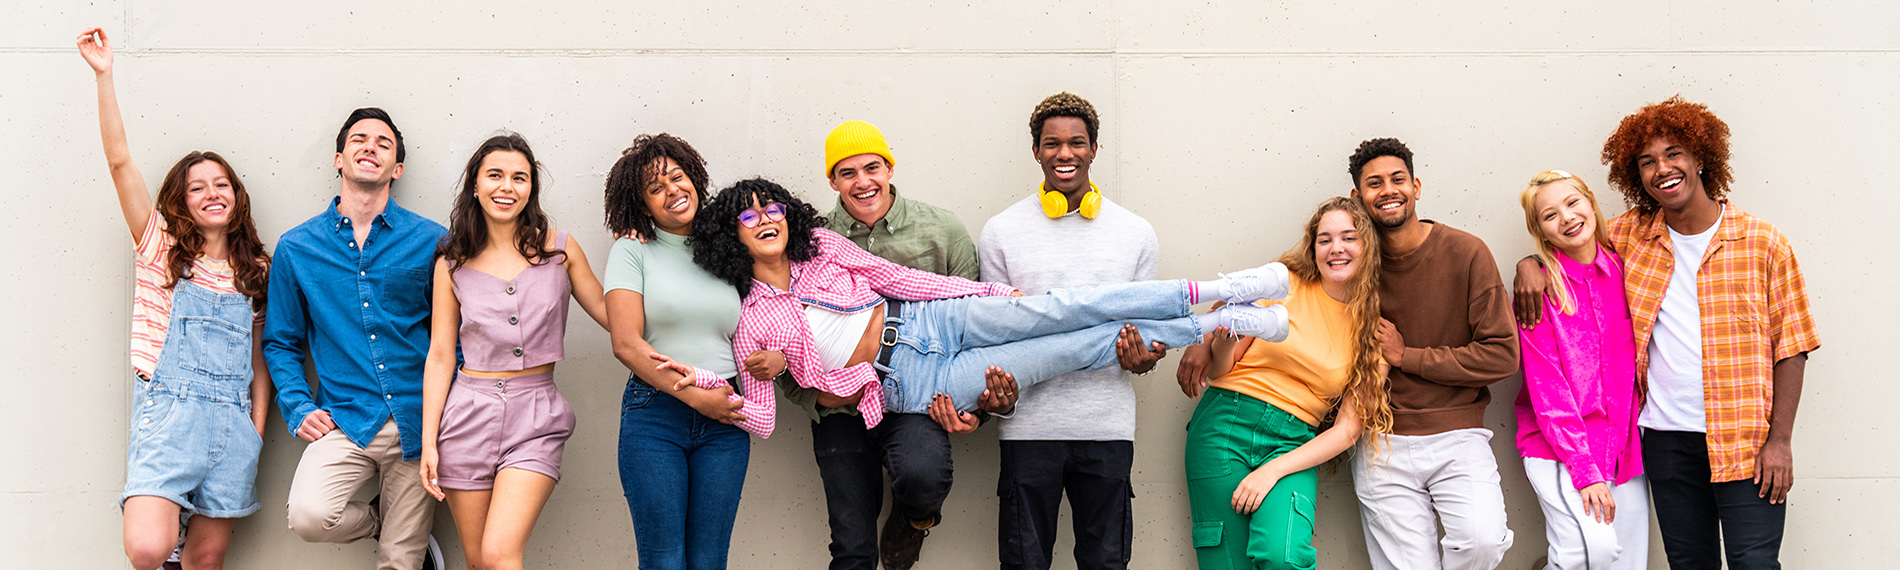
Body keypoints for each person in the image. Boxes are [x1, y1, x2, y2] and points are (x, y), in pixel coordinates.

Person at [665, 178, 1293, 443]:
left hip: (929, 322)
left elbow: (898, 277)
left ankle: (1222, 289)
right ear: (732, 236)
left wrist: (988, 294)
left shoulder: (821, 246)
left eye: (770, 207)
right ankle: (1223, 324)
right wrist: (729, 382)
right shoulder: (751, 324)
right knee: (1073, 348)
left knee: (1071, 307)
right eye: (747, 215)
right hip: (914, 382)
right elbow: (764, 422)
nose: (765, 219)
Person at [1514, 97, 1820, 570]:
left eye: (1674, 153)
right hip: (1665, 439)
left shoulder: (1764, 243)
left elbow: (1793, 348)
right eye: (1647, 162)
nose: (1663, 169)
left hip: (1745, 441)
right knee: (1688, 562)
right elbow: (1571, 240)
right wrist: (1531, 264)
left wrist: (1780, 441)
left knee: (1754, 563)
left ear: (1701, 158)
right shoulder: (1630, 236)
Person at [782, 119, 1016, 570]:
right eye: (847, 173)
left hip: (918, 396)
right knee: (851, 543)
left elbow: (976, 325)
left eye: (872, 168)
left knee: (924, 477)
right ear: (831, 180)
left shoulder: (942, 229)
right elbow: (776, 326)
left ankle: (915, 521)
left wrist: (976, 406)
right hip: (842, 404)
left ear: (890, 167)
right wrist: (814, 396)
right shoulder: (808, 242)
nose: (862, 182)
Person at [80, 27, 273, 570]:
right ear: (180, 201)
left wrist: (256, 428)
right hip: (169, 415)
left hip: (234, 422)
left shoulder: (256, 268)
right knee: (148, 547)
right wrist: (104, 76)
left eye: (222, 184)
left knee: (206, 559)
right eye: (198, 187)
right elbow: (121, 164)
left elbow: (258, 356)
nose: (213, 193)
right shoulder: (160, 248)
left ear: (236, 197)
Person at [976, 91, 1166, 570]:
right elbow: (993, 335)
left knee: (1106, 563)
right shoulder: (1000, 232)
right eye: (1052, 143)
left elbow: (1144, 335)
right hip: (1026, 430)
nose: (1065, 154)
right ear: (1036, 151)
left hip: (1107, 426)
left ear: (1094, 149)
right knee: (1024, 563)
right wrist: (996, 394)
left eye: (1077, 143)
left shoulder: (1136, 233)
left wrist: (1145, 358)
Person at [416, 134, 610, 570]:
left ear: (531, 189)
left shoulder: (559, 249)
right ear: (475, 186)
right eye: (495, 176)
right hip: (466, 416)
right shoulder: (451, 263)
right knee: (478, 562)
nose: (507, 187)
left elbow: (614, 316)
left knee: (501, 554)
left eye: (519, 178)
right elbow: (441, 355)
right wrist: (429, 443)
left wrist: (638, 247)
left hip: (536, 415)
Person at [266, 107, 447, 570]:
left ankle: (403, 537)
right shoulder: (297, 247)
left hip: (418, 421)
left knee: (400, 564)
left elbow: (455, 336)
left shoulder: (433, 241)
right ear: (339, 159)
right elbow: (281, 341)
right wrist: (298, 406)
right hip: (347, 420)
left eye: (384, 143)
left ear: (397, 169)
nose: (371, 147)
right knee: (309, 515)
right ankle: (382, 520)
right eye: (360, 140)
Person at [1177, 197, 1396, 570]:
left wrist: (1274, 470)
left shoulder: (1373, 330)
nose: (1336, 248)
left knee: (1284, 558)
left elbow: (1346, 431)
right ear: (1313, 247)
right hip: (1224, 426)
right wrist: (1223, 339)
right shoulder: (1281, 285)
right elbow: (1221, 371)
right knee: (1225, 563)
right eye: (1325, 239)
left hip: (1291, 445)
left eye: (1348, 237)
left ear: (1367, 247)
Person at [1346, 138, 1518, 570]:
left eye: (1397, 179)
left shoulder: (1466, 252)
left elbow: (1501, 355)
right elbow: (1292, 283)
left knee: (1483, 542)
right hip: (1379, 440)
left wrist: (1408, 356)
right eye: (1374, 183)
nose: (1388, 190)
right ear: (1357, 197)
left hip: (1458, 435)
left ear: (1416, 186)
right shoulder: (1349, 261)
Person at [601, 133, 752, 570]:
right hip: (656, 414)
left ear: (695, 178)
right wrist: (694, 396)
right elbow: (626, 343)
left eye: (677, 177)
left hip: (726, 414)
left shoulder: (731, 244)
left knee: (709, 561)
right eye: (655, 188)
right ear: (642, 205)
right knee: (664, 561)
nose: (672, 192)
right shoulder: (632, 250)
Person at [1512, 170, 1648, 569]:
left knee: (1628, 561)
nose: (1567, 217)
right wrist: (1585, 473)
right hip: (1559, 448)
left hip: (1623, 449)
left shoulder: (1627, 273)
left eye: (1572, 203)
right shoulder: (1539, 291)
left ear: (1590, 202)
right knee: (1590, 553)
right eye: (1550, 215)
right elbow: (1548, 390)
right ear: (1541, 232)